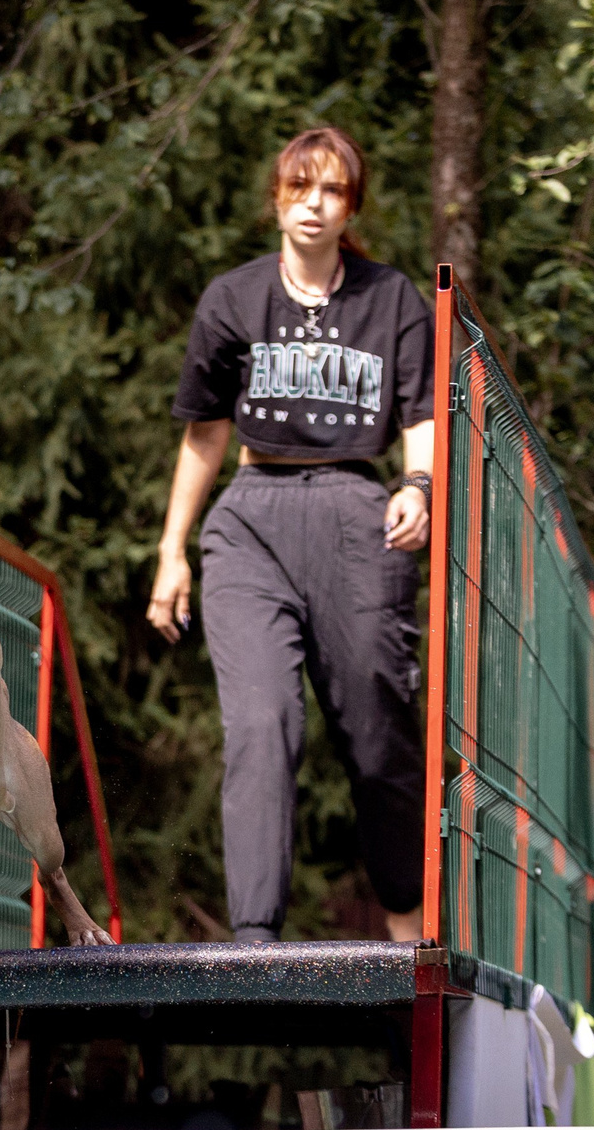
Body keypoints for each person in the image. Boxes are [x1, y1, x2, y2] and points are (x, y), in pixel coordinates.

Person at [149, 126, 434, 945]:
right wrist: (174, 550)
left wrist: (417, 486)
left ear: (351, 207)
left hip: (357, 514)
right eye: (300, 188)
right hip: (251, 521)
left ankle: (408, 924)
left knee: (378, 742)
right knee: (263, 723)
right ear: (277, 197)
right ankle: (255, 941)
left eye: (332, 191)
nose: (314, 205)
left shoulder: (392, 300)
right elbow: (203, 433)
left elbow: (421, 416)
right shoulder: (232, 299)